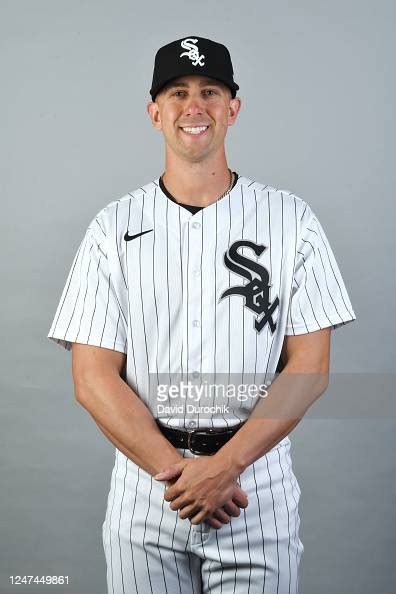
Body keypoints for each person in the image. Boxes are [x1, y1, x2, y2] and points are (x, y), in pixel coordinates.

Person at [47, 35, 356, 594]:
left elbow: (309, 367)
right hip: (148, 490)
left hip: (255, 487)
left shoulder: (291, 220)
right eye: (178, 92)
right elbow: (92, 378)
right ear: (155, 112)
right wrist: (182, 475)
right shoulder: (112, 228)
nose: (195, 106)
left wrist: (226, 467)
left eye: (210, 91)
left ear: (232, 109)